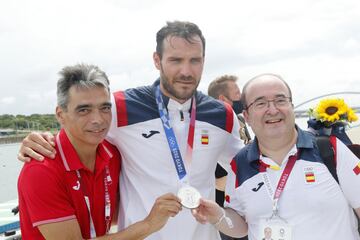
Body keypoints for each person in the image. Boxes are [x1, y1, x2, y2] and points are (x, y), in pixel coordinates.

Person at [18, 21, 243, 240]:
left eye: (195, 60)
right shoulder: (119, 107)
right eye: (175, 60)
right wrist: (39, 140)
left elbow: (249, 168)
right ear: (157, 60)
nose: (186, 71)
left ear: (204, 61)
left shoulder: (223, 115)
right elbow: (79, 125)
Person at [18, 64, 182, 239]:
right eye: (84, 110)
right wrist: (149, 225)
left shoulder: (112, 154)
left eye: (105, 108)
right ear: (60, 115)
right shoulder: (41, 170)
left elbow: (111, 214)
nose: (98, 119)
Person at [192, 73, 360, 239]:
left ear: (291, 107)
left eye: (280, 100)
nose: (272, 110)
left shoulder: (330, 150)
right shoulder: (240, 164)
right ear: (247, 116)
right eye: (261, 103)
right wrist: (218, 217)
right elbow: (241, 225)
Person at [208, 75, 249, 240]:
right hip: (224, 206)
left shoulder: (238, 120)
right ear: (223, 98)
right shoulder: (214, 129)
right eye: (238, 93)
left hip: (243, 199)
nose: (242, 97)